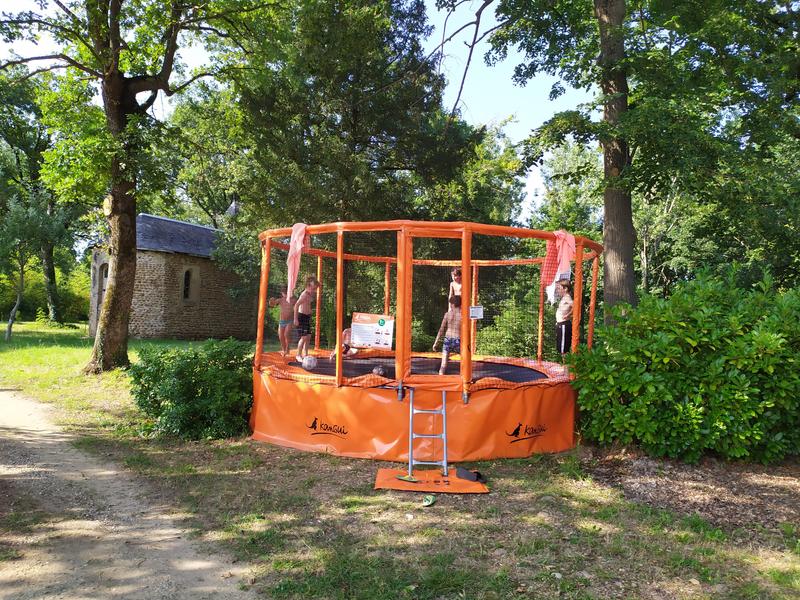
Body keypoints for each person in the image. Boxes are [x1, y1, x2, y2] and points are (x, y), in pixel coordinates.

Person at [432, 295, 462, 375]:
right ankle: (465, 378)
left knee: (443, 363)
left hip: (448, 339)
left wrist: (436, 343)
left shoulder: (447, 314)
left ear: (452, 304)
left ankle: (441, 376)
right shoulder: (463, 315)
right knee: (464, 361)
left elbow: (441, 330)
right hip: (458, 339)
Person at [294, 275, 320, 359]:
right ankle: (298, 355)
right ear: (308, 286)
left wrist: (309, 311)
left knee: (308, 337)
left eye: (315, 289)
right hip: (301, 317)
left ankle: (305, 354)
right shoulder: (304, 295)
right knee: (304, 337)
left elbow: (307, 304)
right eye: (313, 288)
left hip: (307, 317)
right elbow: (296, 305)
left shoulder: (309, 294)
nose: (314, 290)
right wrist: (295, 319)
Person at [268, 291, 295, 356]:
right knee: (280, 336)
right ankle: (284, 350)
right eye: (283, 293)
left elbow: (298, 305)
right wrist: (271, 301)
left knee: (286, 334)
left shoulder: (293, 300)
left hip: (290, 321)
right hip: (282, 321)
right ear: (282, 294)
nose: (285, 294)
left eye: (286, 293)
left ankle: (287, 348)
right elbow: (272, 304)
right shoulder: (281, 300)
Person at [555, 279, 573, 358]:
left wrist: (568, 315)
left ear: (565, 288)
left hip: (564, 325)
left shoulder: (567, 298)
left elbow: (575, 306)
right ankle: (565, 364)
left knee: (563, 349)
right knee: (561, 348)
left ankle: (566, 365)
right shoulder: (564, 298)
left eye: (559, 288)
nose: (558, 290)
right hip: (561, 325)